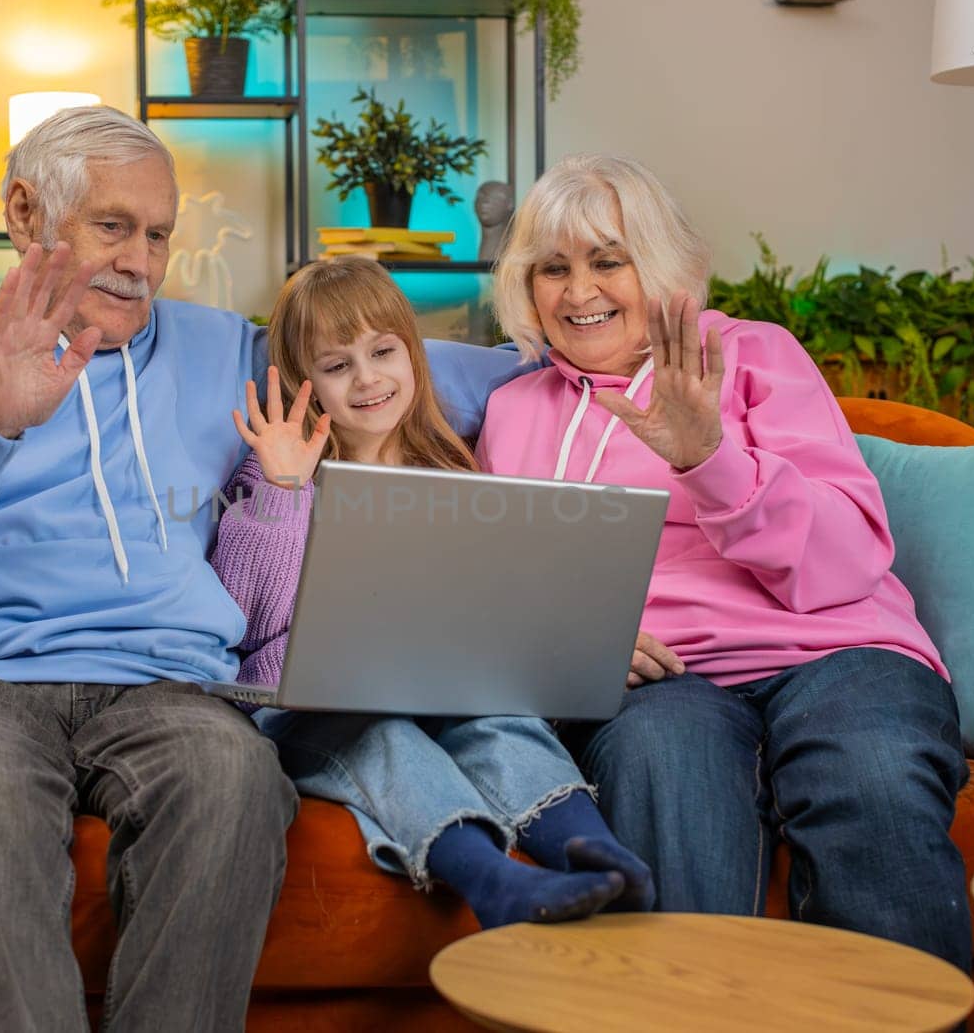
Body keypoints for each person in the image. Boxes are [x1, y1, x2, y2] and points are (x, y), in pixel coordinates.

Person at [0, 106, 530, 1033]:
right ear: (25, 214)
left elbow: (386, 368)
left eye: (159, 235)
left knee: (235, 784)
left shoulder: (220, 349)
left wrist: (578, 365)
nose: (140, 260)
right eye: (113, 227)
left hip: (172, 685)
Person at [476, 154, 972, 970]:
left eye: (608, 260)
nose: (577, 291)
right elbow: (503, 585)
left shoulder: (751, 356)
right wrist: (575, 639)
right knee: (662, 772)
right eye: (551, 269)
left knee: (872, 777)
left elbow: (848, 556)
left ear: (661, 266)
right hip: (662, 681)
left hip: (840, 650)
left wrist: (708, 456)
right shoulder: (513, 410)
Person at [211, 256, 655, 928]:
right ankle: (490, 878)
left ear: (411, 356)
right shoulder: (274, 468)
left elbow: (488, 604)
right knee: (385, 734)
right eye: (337, 366)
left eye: (383, 352)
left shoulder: (447, 464)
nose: (367, 379)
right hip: (301, 710)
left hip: (435, 684)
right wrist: (283, 488)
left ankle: (596, 855)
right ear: (307, 386)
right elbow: (246, 615)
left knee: (500, 720)